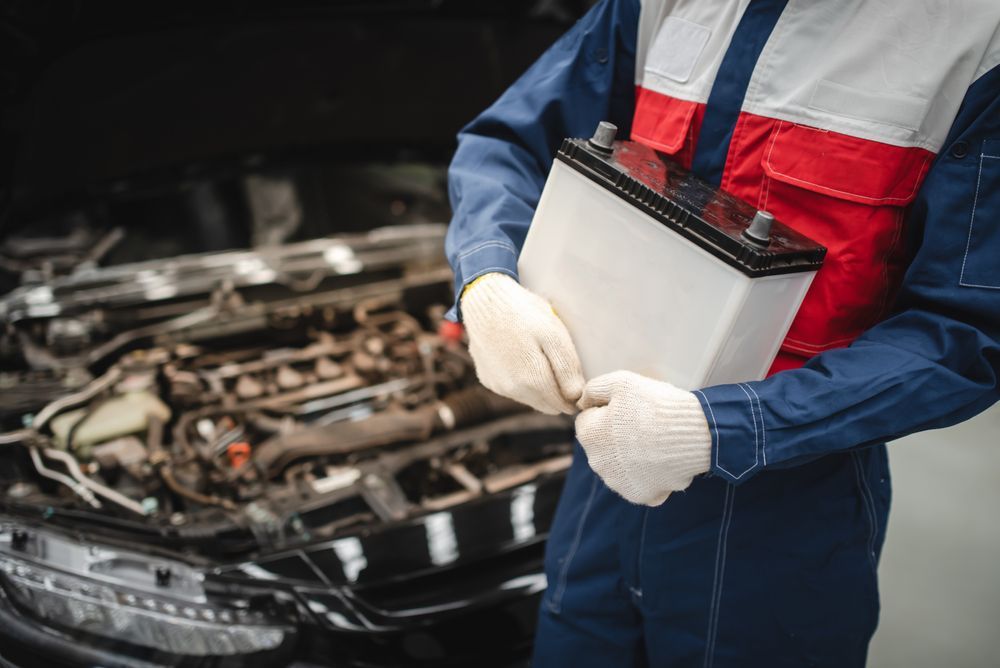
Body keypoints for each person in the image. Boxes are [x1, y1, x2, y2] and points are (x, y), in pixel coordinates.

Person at [444, 1, 1000, 666]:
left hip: (783, 507)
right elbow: (507, 143)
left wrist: (716, 429)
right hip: (603, 467)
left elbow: (965, 329)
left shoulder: (975, 39)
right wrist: (487, 281)